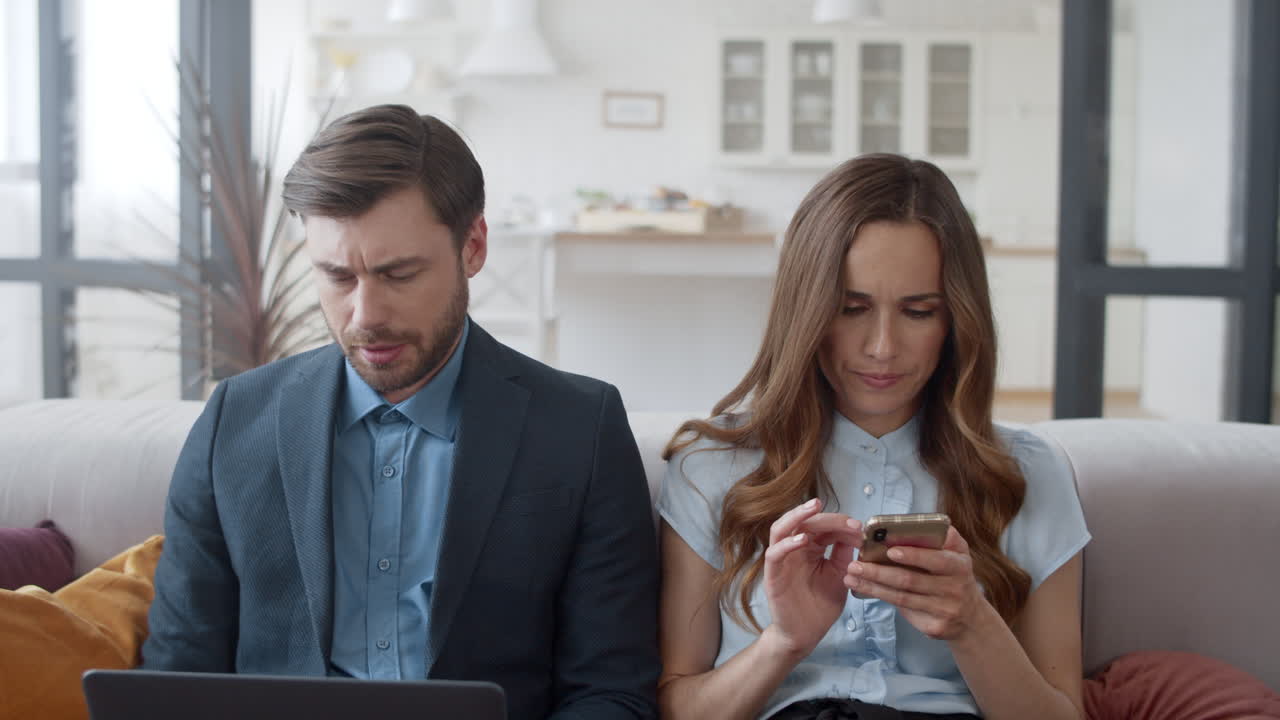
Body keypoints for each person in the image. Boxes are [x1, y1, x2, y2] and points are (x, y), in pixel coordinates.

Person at [142, 104, 660, 720]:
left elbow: (611, 693)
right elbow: (176, 676)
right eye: (336, 276)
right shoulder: (235, 422)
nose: (365, 316)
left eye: (398, 274)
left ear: (473, 247)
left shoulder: (581, 429)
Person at [656, 154, 1090, 720]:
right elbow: (677, 708)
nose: (882, 347)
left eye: (917, 311)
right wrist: (782, 643)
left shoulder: (1027, 474)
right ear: (806, 312)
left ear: (956, 321)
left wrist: (971, 624)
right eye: (851, 308)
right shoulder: (711, 466)